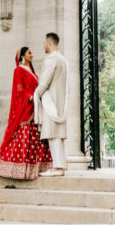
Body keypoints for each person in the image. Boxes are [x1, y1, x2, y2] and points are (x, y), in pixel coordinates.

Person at [0, 47, 52, 180]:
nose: (32, 55)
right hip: (26, 108)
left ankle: (35, 169)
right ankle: (15, 169)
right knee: (23, 135)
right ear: (22, 56)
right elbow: (19, 90)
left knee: (36, 137)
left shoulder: (32, 72)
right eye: (29, 53)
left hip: (36, 108)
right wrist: (30, 97)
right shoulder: (19, 70)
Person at [36, 32, 69, 176]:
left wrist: (35, 94)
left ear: (50, 43)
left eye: (44, 43)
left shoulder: (51, 59)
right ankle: (60, 165)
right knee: (58, 135)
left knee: (52, 134)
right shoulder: (63, 60)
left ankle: (57, 167)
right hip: (61, 101)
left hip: (51, 100)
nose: (43, 46)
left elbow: (44, 82)